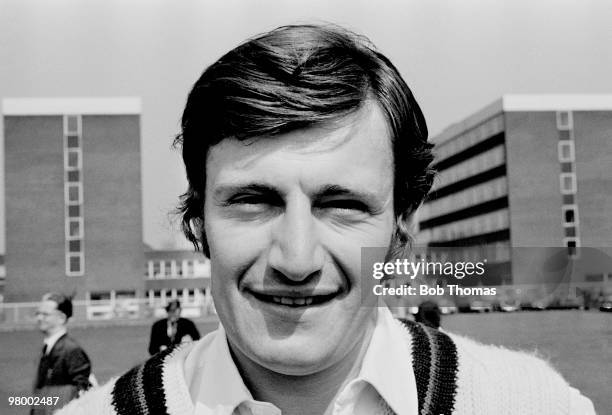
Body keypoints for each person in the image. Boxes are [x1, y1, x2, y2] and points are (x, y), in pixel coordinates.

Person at [58, 24, 595, 415]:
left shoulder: (532, 404)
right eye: (254, 201)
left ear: (401, 222)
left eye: (342, 206)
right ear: (197, 219)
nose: (296, 260)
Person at [32, 292, 91, 414]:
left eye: (45, 314)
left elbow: (82, 394)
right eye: (38, 313)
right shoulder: (48, 348)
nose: (39, 318)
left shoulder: (71, 350)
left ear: (61, 318)